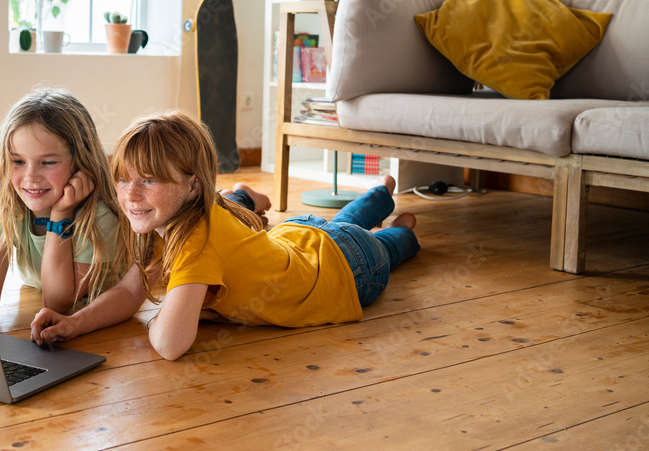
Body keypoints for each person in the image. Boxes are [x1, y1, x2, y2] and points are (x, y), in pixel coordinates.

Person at [30, 110, 419, 360]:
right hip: (300, 236)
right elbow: (131, 293)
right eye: (123, 179)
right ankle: (382, 192)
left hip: (347, 268)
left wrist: (171, 311)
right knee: (343, 222)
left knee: (386, 244)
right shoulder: (171, 219)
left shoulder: (196, 242)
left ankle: (402, 226)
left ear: (193, 186)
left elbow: (169, 343)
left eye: (149, 180)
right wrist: (75, 323)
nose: (130, 194)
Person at [0, 87, 130, 316]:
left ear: (80, 162)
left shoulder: (99, 216)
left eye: (47, 162)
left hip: (95, 316)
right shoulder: (6, 204)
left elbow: (56, 302)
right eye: (18, 161)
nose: (31, 177)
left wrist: (61, 212)